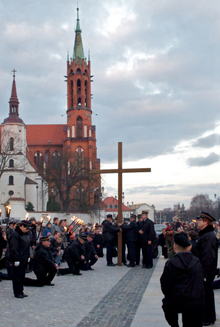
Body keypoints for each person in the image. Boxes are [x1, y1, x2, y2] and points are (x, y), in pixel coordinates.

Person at [160, 232, 205, 327]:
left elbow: (165, 284)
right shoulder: (196, 262)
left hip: (176, 300)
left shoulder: (171, 263)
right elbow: (200, 283)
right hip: (193, 301)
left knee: (168, 305)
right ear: (189, 247)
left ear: (175, 247)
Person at [192, 211, 218, 326]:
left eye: (200, 220)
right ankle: (207, 316)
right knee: (205, 293)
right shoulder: (204, 235)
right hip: (202, 270)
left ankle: (209, 318)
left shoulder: (208, 236)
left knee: (206, 294)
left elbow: (208, 257)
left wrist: (205, 274)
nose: (197, 222)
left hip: (205, 271)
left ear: (205, 222)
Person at [10, 220, 32, 298]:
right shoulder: (15, 235)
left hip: (24, 258)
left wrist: (28, 256)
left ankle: (21, 290)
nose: (28, 230)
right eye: (26, 228)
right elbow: (14, 248)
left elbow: (27, 246)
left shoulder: (26, 234)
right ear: (21, 226)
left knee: (22, 276)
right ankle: (17, 292)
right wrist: (16, 259)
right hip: (18, 259)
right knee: (17, 276)